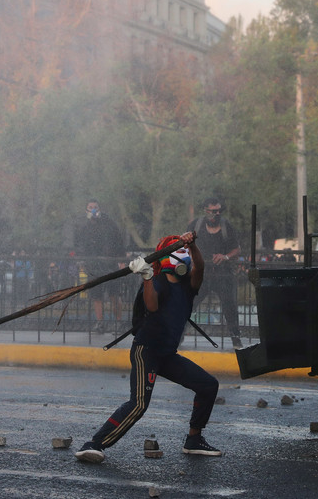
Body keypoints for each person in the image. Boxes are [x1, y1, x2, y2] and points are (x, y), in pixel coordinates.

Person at [75, 231, 222, 463]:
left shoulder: (188, 285)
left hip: (167, 354)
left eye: (184, 250)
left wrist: (193, 245)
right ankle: (94, 444)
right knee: (139, 404)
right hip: (147, 351)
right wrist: (146, 276)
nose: (183, 253)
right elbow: (152, 306)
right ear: (164, 256)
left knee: (208, 385)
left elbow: (200, 267)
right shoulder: (157, 281)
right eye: (178, 250)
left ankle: (194, 439)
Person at [187, 197, 243, 348]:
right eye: (213, 211)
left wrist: (225, 257)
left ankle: (236, 338)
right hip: (201, 273)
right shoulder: (196, 225)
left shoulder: (226, 226)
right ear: (206, 211)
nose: (217, 214)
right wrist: (192, 256)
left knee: (230, 306)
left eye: (219, 211)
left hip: (223, 274)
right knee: (189, 304)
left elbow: (237, 249)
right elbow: (185, 243)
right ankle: (177, 335)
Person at [73, 199, 126, 332]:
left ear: (99, 208)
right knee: (96, 295)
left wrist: (121, 259)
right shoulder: (84, 227)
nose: (93, 209)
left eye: (95, 207)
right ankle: (100, 322)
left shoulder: (109, 223)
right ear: (86, 210)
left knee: (114, 294)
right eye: (90, 207)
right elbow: (80, 245)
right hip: (93, 265)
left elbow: (118, 240)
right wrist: (82, 260)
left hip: (110, 263)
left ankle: (118, 322)